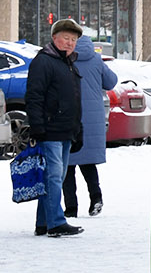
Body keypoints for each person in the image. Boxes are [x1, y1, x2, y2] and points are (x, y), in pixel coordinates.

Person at [25, 18, 86, 237]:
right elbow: (34, 96)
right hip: (50, 130)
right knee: (53, 176)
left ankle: (44, 222)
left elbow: (75, 101)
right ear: (54, 38)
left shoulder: (69, 64)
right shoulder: (44, 62)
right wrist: (37, 126)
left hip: (65, 130)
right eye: (66, 38)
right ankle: (56, 222)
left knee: (54, 177)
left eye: (74, 40)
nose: (70, 43)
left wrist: (78, 129)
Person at [64, 33, 116, 218]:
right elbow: (111, 82)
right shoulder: (96, 59)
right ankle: (96, 198)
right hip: (93, 117)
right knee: (88, 163)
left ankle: (71, 207)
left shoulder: (65, 58)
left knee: (67, 165)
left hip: (70, 115)